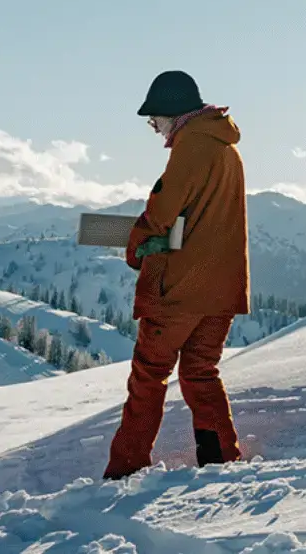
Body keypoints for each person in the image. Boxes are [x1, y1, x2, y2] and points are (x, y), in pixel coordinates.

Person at [104, 70, 252, 479]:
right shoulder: (225, 147)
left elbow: (162, 213)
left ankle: (125, 469)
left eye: (155, 119)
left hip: (181, 289)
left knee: (148, 378)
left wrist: (136, 244)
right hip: (221, 289)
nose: (153, 127)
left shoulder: (191, 146)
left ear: (173, 113)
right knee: (200, 373)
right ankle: (221, 458)